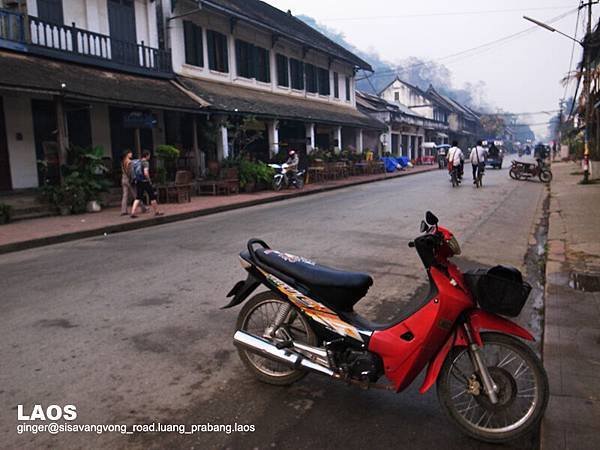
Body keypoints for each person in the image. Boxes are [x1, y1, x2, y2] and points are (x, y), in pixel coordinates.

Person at [130, 150, 163, 218]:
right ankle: (156, 211)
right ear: (147, 155)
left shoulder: (138, 162)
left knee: (138, 197)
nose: (149, 157)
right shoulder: (145, 163)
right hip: (145, 181)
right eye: (149, 155)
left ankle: (133, 212)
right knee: (152, 196)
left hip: (138, 181)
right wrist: (149, 180)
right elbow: (145, 172)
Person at [120, 150, 147, 216]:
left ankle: (123, 210)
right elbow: (131, 172)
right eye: (130, 153)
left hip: (123, 179)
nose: (131, 154)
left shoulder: (122, 161)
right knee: (136, 195)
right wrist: (134, 179)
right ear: (127, 154)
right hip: (129, 180)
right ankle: (143, 208)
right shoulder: (130, 162)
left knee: (125, 195)